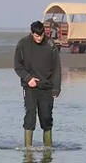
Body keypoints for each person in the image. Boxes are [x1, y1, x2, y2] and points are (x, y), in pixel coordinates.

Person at [14, 20, 62, 148]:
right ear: (32, 33)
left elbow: (57, 68)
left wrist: (56, 88)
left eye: (41, 35)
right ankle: (28, 151)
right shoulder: (22, 44)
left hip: (47, 87)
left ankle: (48, 151)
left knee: (46, 118)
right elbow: (17, 66)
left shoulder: (51, 45)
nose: (39, 38)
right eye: (36, 36)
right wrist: (28, 78)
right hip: (30, 87)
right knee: (30, 117)